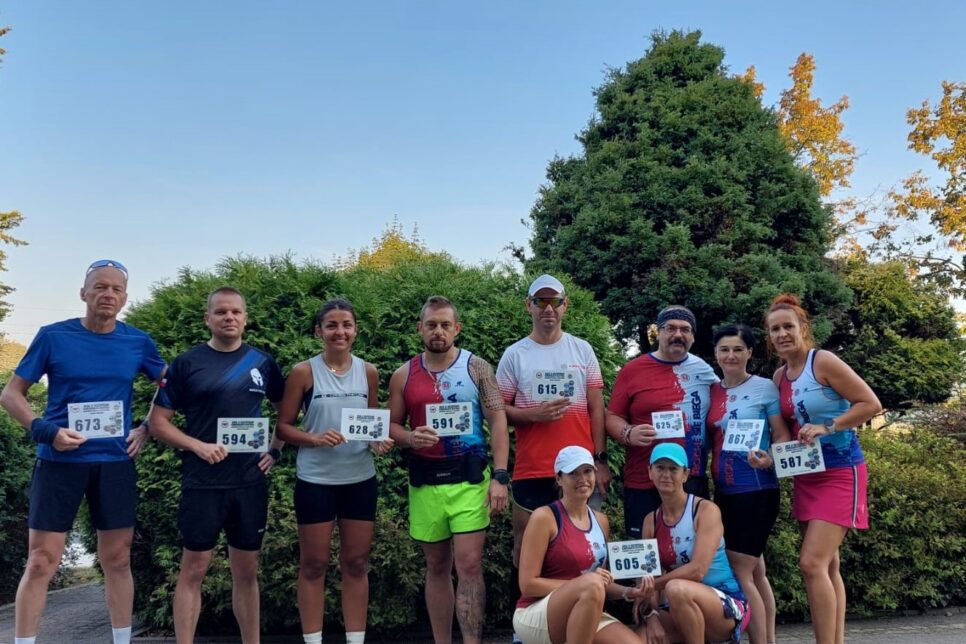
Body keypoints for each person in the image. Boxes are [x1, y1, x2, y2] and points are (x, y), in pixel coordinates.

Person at [0, 259, 166, 644]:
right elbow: (11, 395)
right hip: (59, 461)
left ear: (124, 298)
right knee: (41, 560)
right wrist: (47, 432)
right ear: (83, 293)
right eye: (100, 287)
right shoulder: (53, 336)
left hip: (114, 463)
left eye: (116, 289)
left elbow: (171, 383)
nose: (108, 294)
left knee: (118, 559)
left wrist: (147, 427)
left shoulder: (137, 341)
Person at [148, 287, 286, 644]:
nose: (229, 317)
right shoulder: (186, 363)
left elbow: (286, 412)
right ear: (207, 318)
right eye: (221, 312)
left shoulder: (262, 362)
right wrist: (198, 446)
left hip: (249, 482)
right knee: (193, 569)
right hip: (202, 482)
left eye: (236, 312)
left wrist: (275, 450)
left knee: (247, 572)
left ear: (245, 318)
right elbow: (157, 423)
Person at [387, 295, 510, 644]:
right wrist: (410, 438)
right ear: (420, 328)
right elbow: (391, 426)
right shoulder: (403, 374)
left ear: (457, 328)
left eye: (445, 325)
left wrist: (500, 476)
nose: (438, 331)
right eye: (431, 325)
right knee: (437, 566)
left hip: (469, 480)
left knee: (469, 565)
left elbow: (498, 422)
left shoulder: (478, 368)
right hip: (426, 482)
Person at [765, 294, 882, 644]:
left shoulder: (823, 361)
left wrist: (828, 426)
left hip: (841, 471)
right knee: (828, 565)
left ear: (803, 328)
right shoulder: (779, 377)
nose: (782, 334)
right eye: (775, 329)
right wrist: (770, 456)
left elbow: (870, 403)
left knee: (811, 564)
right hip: (807, 474)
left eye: (788, 326)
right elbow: (786, 429)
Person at [275, 298, 392, 644]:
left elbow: (370, 425)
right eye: (332, 325)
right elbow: (283, 427)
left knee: (356, 563)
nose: (340, 331)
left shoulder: (369, 372)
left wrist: (377, 441)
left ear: (356, 330)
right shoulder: (303, 372)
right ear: (319, 331)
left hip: (359, 480)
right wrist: (313, 438)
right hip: (316, 481)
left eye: (347, 325)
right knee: (314, 564)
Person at [495, 275, 610, 607]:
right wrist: (533, 415)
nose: (548, 309)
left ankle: (586, 617)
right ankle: (525, 621)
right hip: (533, 468)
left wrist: (600, 460)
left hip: (580, 470)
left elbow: (596, 408)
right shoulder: (515, 355)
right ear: (528, 305)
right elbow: (498, 410)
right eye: (540, 301)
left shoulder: (582, 349)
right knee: (525, 547)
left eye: (555, 301)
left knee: (586, 548)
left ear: (565, 305)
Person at [707, 323, 791, 644]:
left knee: (741, 572)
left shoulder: (764, 388)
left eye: (738, 349)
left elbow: (781, 435)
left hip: (757, 490)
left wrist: (770, 458)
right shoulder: (713, 390)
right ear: (716, 353)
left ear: (750, 353)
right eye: (724, 349)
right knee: (756, 572)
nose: (731, 355)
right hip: (724, 492)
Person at [514, 446, 649, 644]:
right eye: (573, 473)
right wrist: (583, 584)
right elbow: (528, 585)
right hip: (535, 612)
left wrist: (628, 592)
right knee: (591, 584)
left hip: (585, 607)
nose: (583, 479)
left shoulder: (601, 521)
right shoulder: (544, 517)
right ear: (559, 479)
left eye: (587, 471)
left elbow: (602, 582)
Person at [605, 305, 718, 539]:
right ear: (658, 332)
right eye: (670, 328)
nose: (678, 335)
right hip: (643, 478)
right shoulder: (633, 370)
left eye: (685, 329)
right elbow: (612, 416)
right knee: (644, 551)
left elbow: (725, 404)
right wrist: (628, 433)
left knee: (690, 548)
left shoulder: (703, 371)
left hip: (689, 477)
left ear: (693, 336)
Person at [637, 443, 751, 644]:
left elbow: (697, 570)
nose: (666, 474)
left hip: (726, 603)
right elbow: (648, 576)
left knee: (676, 588)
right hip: (678, 605)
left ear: (685, 474)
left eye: (673, 469)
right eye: (660, 468)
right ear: (649, 472)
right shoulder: (650, 521)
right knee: (638, 638)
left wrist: (651, 586)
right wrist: (652, 617)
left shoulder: (705, 510)